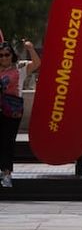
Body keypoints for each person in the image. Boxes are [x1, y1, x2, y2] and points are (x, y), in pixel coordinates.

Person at [0, 34, 41, 188]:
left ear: (12, 55)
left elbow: (37, 63)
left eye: (7, 55)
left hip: (12, 111)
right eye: (1, 55)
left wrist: (30, 48)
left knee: (7, 142)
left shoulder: (20, 68)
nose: (4, 58)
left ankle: (6, 173)